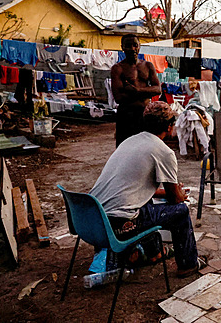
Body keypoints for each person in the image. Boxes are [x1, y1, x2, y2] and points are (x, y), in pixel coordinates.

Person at [89, 101, 204, 277]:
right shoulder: (164, 152)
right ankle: (188, 264)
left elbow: (134, 188)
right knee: (180, 212)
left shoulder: (130, 141)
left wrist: (168, 191)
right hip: (118, 223)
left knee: (147, 204)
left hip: (93, 219)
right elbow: (175, 200)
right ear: (169, 126)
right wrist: (178, 193)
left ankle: (154, 253)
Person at [111, 34, 162, 146]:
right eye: (128, 46)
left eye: (135, 45)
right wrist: (147, 92)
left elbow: (158, 89)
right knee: (125, 148)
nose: (132, 49)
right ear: (122, 47)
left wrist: (137, 90)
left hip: (145, 114)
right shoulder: (118, 68)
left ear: (139, 46)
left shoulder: (148, 66)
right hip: (126, 115)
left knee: (146, 147)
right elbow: (118, 98)